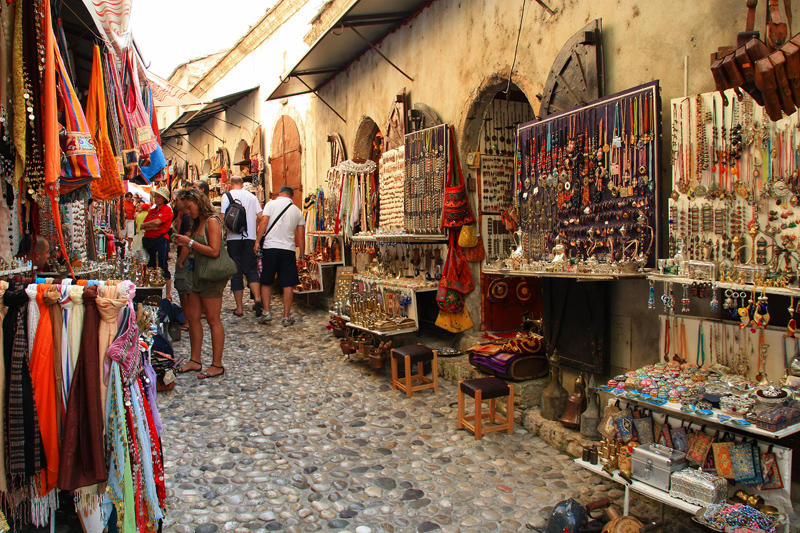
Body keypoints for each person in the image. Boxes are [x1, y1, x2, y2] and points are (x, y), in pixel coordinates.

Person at [173, 188, 226, 379]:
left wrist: (189, 243)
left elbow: (214, 251)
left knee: (213, 319)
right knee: (193, 316)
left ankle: (217, 364)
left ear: (198, 202)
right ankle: (195, 360)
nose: (188, 211)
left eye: (189, 207)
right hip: (196, 273)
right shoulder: (198, 222)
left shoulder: (212, 221)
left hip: (210, 276)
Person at [253, 185, 305, 326]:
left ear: (280, 193)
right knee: (288, 283)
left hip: (270, 248)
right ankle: (286, 317)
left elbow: (263, 223)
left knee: (267, 281)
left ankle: (266, 312)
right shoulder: (297, 211)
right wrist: (302, 255)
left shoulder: (271, 204)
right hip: (288, 249)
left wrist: (257, 241)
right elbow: (300, 236)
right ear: (291, 196)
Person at [221, 176, 263, 317]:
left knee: (236, 272)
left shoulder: (227, 196)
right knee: (251, 270)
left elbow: (222, 218)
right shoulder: (251, 197)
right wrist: (253, 227)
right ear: (242, 184)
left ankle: (239, 308)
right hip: (249, 238)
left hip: (233, 239)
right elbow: (260, 216)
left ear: (230, 184)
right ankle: (257, 299)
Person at [140, 187, 174, 298]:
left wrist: (151, 225)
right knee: (150, 266)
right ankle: (152, 291)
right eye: (155, 196)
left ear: (164, 199)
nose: (156, 198)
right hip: (149, 240)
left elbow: (158, 222)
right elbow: (144, 225)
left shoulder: (166, 209)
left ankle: (168, 294)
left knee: (162, 267)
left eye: (158, 197)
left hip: (160, 240)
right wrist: (152, 226)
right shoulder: (153, 211)